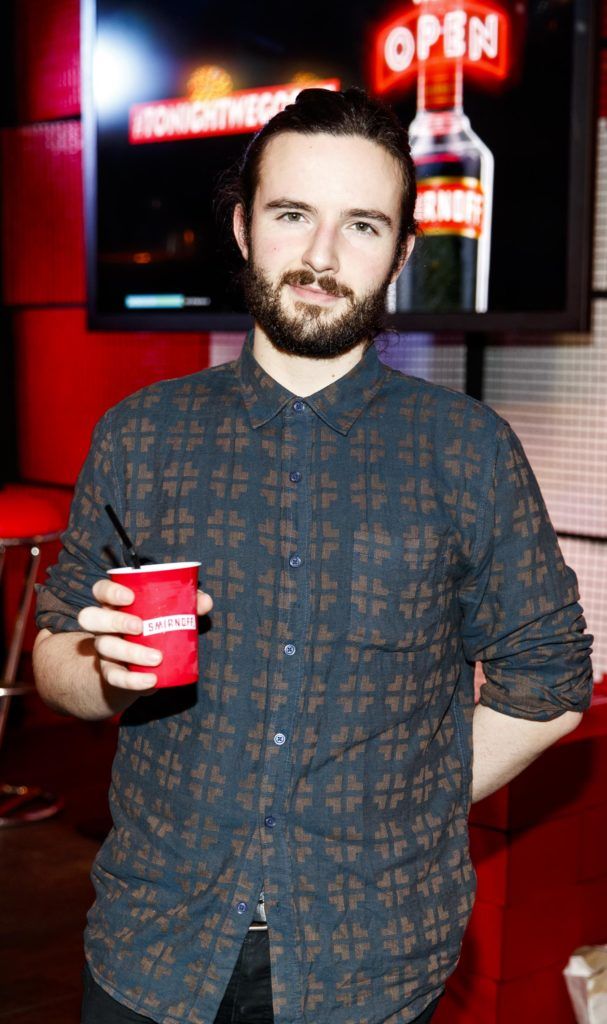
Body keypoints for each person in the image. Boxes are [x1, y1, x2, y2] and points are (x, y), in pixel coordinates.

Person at [33, 87, 593, 1024]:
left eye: (363, 225)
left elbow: (550, 686)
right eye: (293, 215)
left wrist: (403, 801)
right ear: (246, 227)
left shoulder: (468, 451)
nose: (323, 258)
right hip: (152, 946)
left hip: (369, 963)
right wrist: (101, 670)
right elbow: (59, 649)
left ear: (403, 254)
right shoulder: (141, 435)